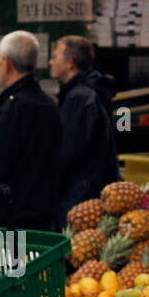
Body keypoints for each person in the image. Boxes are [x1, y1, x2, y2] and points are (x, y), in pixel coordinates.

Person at [0, 31, 62, 230]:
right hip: (44, 216)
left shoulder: (13, 108)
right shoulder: (49, 104)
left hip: (12, 220)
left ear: (5, 63)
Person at [50, 35, 120, 226]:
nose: (51, 61)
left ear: (70, 63)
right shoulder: (92, 91)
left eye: (55, 56)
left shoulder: (80, 98)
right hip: (89, 192)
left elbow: (68, 150)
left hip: (78, 196)